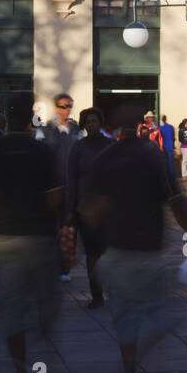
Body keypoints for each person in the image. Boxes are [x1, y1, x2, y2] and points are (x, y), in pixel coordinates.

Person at [84, 101, 187, 373]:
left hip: (117, 252)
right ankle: (132, 370)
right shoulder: (151, 155)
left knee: (125, 318)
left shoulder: (104, 158)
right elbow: (176, 202)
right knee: (163, 316)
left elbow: (91, 212)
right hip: (147, 252)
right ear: (141, 123)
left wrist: (88, 244)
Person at [0, 103, 63, 373]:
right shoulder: (42, 151)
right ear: (31, 120)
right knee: (46, 304)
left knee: (13, 308)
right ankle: (41, 362)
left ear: (5, 120)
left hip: (4, 237)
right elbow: (55, 200)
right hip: (38, 236)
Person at [67, 107, 114, 308]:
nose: (91, 124)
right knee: (93, 253)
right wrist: (70, 210)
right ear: (84, 125)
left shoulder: (111, 145)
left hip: (109, 207)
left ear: (100, 123)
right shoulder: (78, 148)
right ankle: (96, 294)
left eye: (95, 121)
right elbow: (71, 180)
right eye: (88, 121)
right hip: (86, 209)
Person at [37, 93, 80, 281]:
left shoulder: (77, 131)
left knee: (69, 229)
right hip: (51, 188)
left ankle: (64, 268)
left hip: (71, 188)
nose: (66, 109)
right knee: (51, 228)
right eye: (62, 106)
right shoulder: (45, 131)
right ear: (56, 108)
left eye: (69, 106)